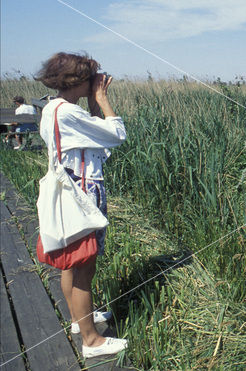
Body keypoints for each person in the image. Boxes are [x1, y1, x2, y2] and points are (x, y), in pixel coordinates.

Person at [35, 52, 128, 358]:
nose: (96, 82)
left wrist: (90, 105)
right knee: (85, 268)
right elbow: (116, 135)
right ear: (78, 80)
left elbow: (89, 139)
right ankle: (92, 341)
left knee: (72, 264)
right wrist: (102, 99)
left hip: (70, 189)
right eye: (91, 78)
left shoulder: (54, 108)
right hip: (84, 193)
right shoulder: (69, 114)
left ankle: (78, 320)